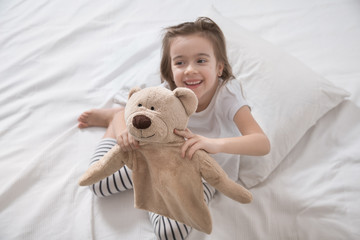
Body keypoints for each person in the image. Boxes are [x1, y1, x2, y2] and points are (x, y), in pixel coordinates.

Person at [78, 17, 270, 240]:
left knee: (172, 233)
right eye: (180, 63)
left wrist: (213, 144)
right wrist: (123, 133)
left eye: (200, 60)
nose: (190, 70)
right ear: (169, 70)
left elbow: (261, 142)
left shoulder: (227, 95)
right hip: (154, 157)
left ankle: (151, 180)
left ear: (219, 67)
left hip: (201, 175)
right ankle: (116, 117)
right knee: (99, 184)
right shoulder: (166, 95)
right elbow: (141, 127)